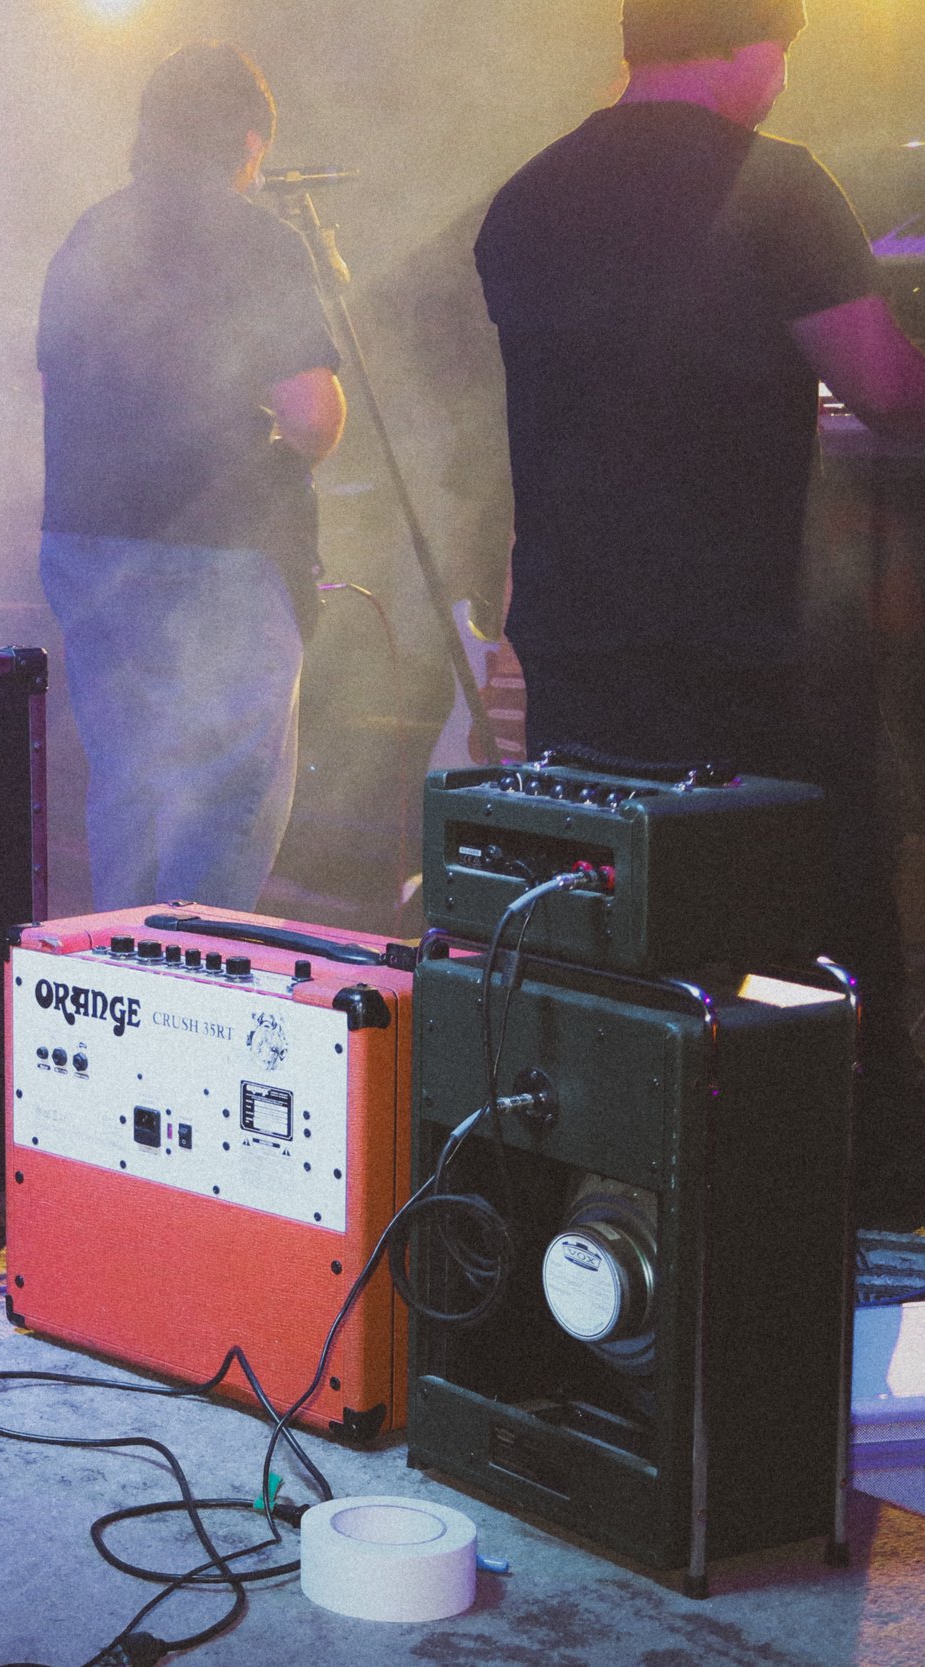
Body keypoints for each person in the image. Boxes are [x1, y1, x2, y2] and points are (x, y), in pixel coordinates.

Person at [476, 0, 925, 1224]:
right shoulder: (777, 185)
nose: (783, 79)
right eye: (782, 53)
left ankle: (615, 1198)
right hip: (733, 641)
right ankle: (851, 1205)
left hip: (578, 627)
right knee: (815, 924)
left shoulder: (523, 198)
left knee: (611, 922)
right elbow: (885, 389)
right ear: (745, 46)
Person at [37, 42, 346, 913]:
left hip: (86, 541)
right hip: (216, 547)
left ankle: (115, 987)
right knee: (228, 796)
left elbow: (55, 384)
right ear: (248, 142)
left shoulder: (92, 230)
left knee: (130, 786)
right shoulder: (259, 240)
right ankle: (192, 994)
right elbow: (313, 414)